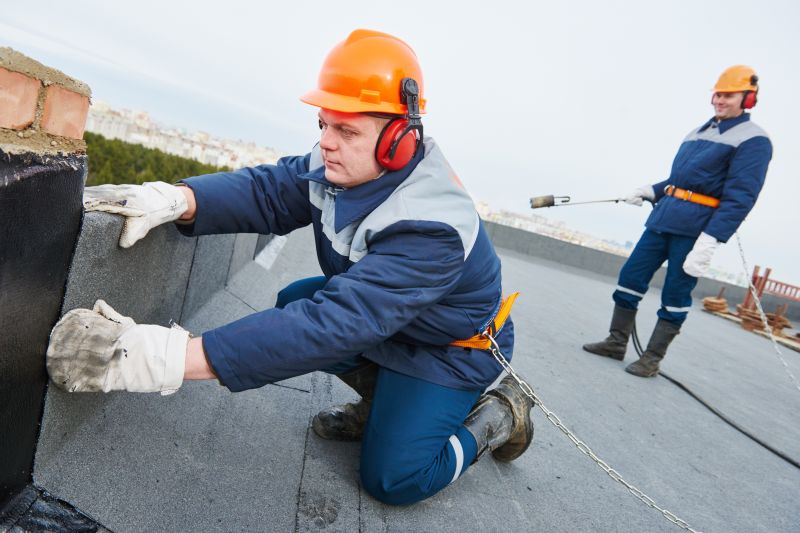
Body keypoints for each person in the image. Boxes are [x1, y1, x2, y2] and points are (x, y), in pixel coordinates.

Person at [45, 29, 533, 506]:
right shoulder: (343, 163)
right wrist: (175, 198)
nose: (327, 142)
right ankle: (384, 405)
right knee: (294, 300)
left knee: (394, 479)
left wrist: (160, 358)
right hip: (392, 323)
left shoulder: (433, 227)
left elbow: (333, 325)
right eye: (323, 124)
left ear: (399, 139)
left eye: (346, 130)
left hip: (448, 349)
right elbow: (269, 192)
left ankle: (494, 417)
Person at [583, 65, 772, 377]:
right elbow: (681, 180)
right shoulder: (700, 131)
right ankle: (616, 342)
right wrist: (651, 191)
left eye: (729, 95)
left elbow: (741, 197)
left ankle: (651, 359)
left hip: (696, 229)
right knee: (630, 277)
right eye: (718, 94)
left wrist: (711, 240)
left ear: (748, 98)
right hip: (664, 217)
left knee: (676, 292)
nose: (720, 100)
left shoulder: (753, 140)